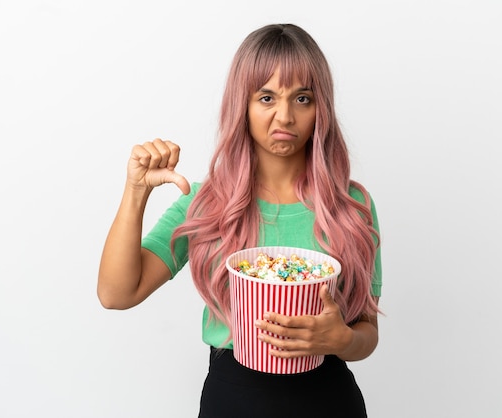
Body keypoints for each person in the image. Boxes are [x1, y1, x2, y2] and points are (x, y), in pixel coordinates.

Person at [98, 23, 382, 418]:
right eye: (266, 97)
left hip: (330, 399)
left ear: (321, 109)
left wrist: (341, 340)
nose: (285, 115)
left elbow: (368, 333)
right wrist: (136, 191)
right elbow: (116, 294)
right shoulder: (206, 203)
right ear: (242, 106)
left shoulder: (350, 206)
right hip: (234, 400)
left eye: (302, 98)